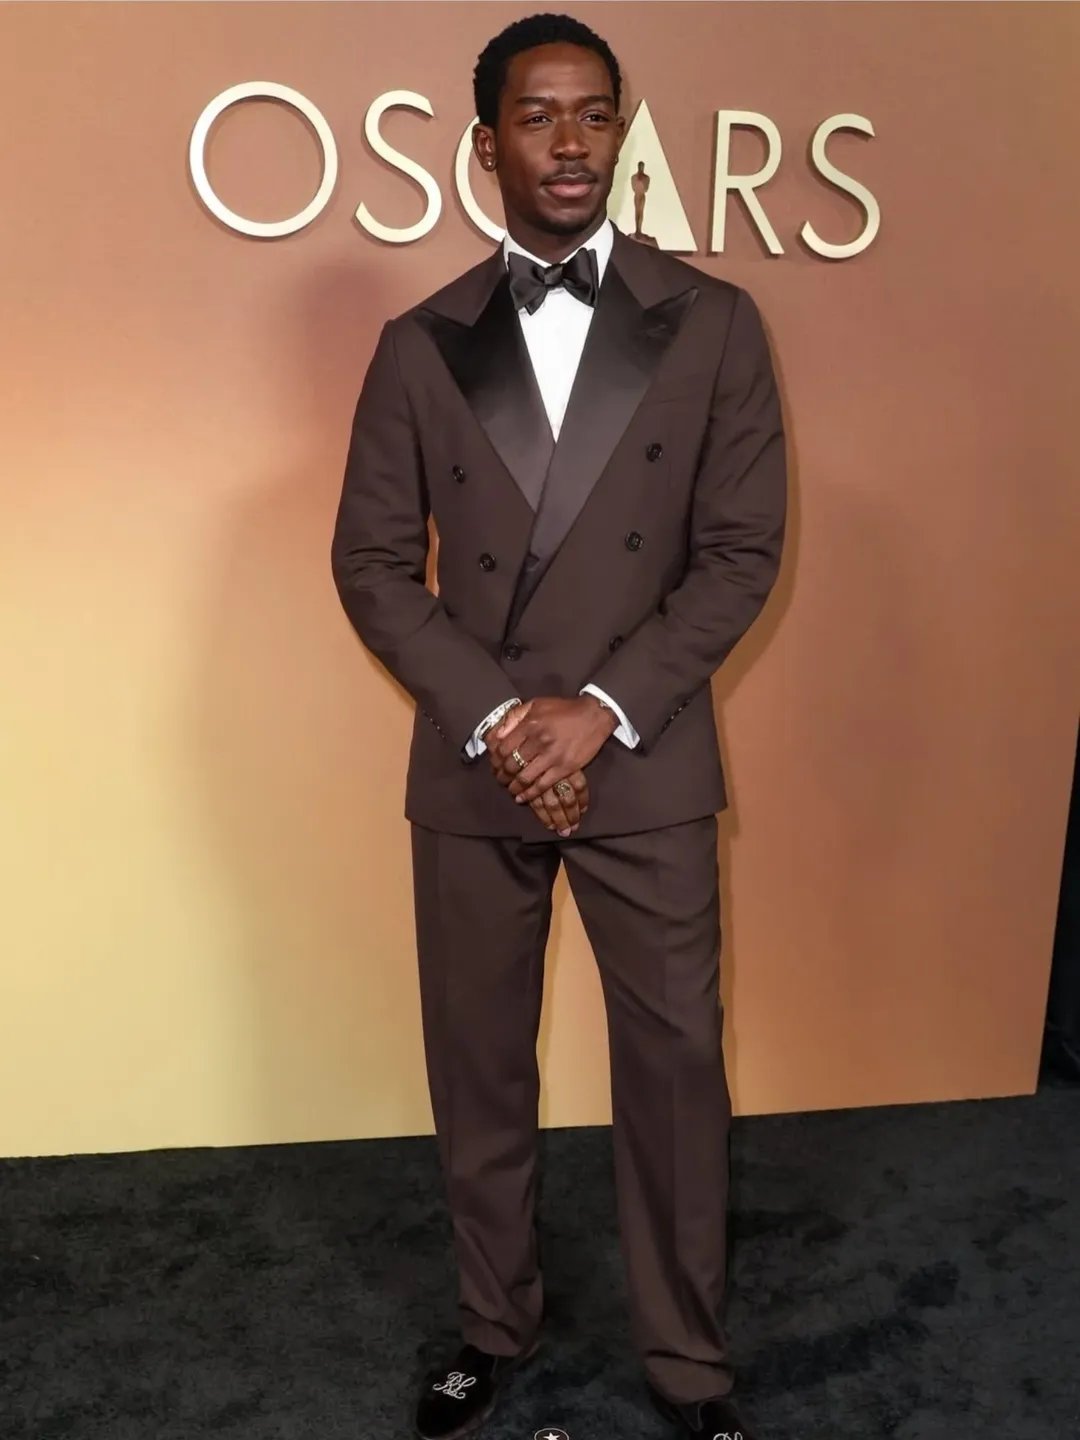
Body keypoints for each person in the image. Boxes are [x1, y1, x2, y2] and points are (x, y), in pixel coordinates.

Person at [330, 13, 787, 1438]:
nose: (572, 141)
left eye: (595, 113)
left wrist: (598, 709)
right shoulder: (420, 344)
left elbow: (740, 553)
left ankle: (690, 1365)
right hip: (479, 764)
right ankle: (494, 1325)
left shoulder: (713, 321)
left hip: (643, 751)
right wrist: (500, 717)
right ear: (488, 146)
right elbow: (369, 565)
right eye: (538, 117)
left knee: (676, 1072)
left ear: (620, 133)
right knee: (480, 1067)